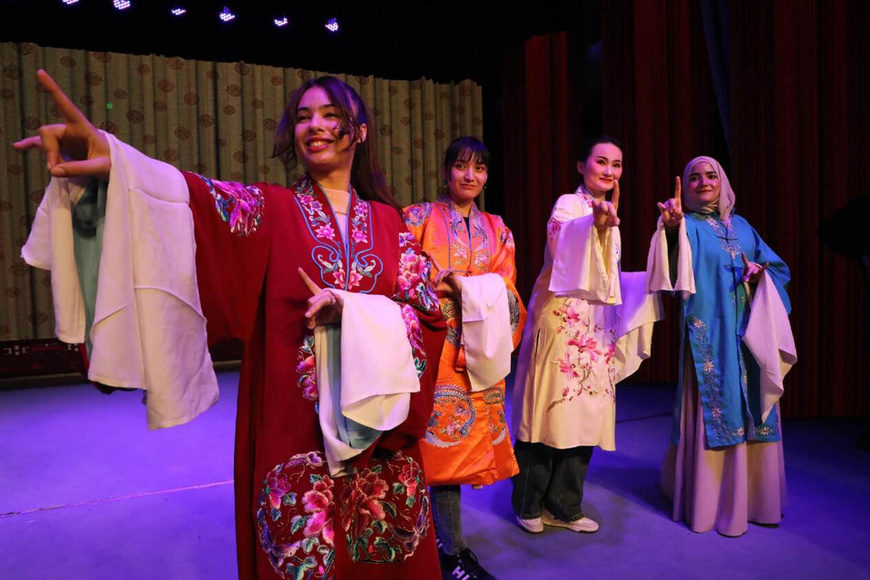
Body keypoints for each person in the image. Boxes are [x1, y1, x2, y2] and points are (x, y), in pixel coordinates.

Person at [15, 70, 448, 579]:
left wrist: (355, 312)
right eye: (304, 116)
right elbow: (191, 199)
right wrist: (117, 165)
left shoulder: (390, 223)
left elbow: (429, 315)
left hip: (379, 428)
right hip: (294, 422)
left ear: (361, 129)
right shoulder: (269, 210)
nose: (316, 125)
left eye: (331, 114)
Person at [510, 136, 661, 535]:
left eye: (616, 164)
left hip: (596, 327)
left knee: (585, 414)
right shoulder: (568, 203)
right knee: (548, 410)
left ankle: (564, 504)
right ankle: (528, 500)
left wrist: (644, 283)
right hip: (561, 322)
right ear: (582, 165)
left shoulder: (610, 210)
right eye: (601, 162)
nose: (609, 171)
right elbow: (560, 245)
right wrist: (592, 224)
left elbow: (606, 278)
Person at [648, 156, 796, 537]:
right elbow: (669, 270)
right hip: (709, 337)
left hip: (750, 336)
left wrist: (758, 274)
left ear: (722, 181)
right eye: (693, 177)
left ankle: (757, 501)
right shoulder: (686, 226)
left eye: (710, 175)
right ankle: (712, 505)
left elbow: (778, 269)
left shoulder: (743, 226)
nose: (702, 182)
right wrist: (670, 229)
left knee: (755, 410)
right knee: (717, 407)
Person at [402, 137, 526, 579]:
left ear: (487, 176)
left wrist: (470, 289)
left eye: (478, 168)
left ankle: (447, 546)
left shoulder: (498, 228)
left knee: (459, 451)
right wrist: (441, 279)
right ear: (445, 171)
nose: (469, 176)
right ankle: (445, 548)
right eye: (460, 166)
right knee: (435, 450)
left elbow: (507, 287)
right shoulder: (418, 218)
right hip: (433, 349)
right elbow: (404, 269)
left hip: (479, 350)